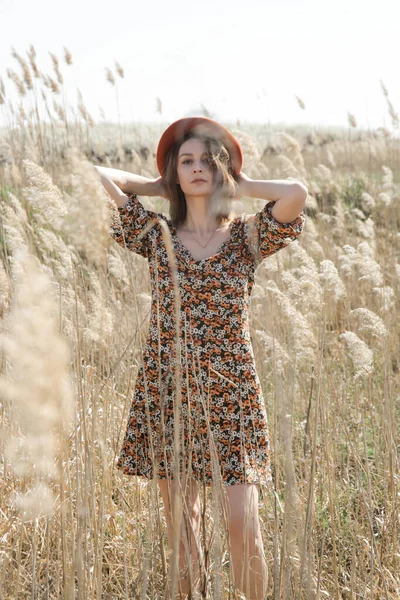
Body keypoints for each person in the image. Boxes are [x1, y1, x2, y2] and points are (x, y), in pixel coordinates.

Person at [95, 117, 307, 599]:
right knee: (185, 538)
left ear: (221, 168)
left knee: (241, 525)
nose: (196, 168)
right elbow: (98, 176)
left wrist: (242, 181)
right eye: (185, 161)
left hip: (232, 393)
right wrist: (157, 182)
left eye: (207, 160)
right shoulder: (156, 235)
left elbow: (296, 192)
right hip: (168, 389)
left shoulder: (247, 238)